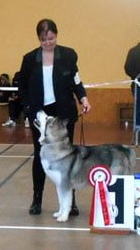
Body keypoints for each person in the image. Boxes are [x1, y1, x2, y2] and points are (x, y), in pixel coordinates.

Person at [19, 18, 91, 216]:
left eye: (51, 38)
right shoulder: (29, 59)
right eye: (43, 39)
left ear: (56, 35)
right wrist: (27, 108)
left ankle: (71, 201)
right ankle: (37, 199)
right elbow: (22, 86)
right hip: (40, 115)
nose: (48, 42)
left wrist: (83, 98)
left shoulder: (68, 55)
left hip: (63, 112)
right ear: (38, 39)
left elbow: (76, 80)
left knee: (68, 157)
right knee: (39, 155)